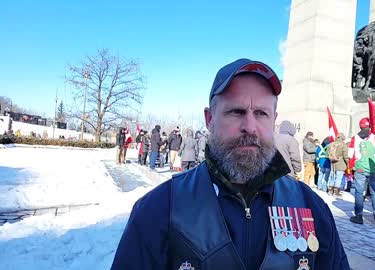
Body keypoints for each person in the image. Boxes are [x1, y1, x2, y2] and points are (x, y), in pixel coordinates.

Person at [111, 58, 349, 269]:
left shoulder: (311, 206)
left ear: (274, 120)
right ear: (209, 118)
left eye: (261, 113)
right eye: (236, 112)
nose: (250, 126)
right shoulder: (160, 209)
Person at [348, 117, 375, 226]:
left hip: (360, 168)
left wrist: (351, 167)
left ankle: (359, 215)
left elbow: (350, 154)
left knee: (359, 192)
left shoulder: (355, 138)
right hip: (373, 168)